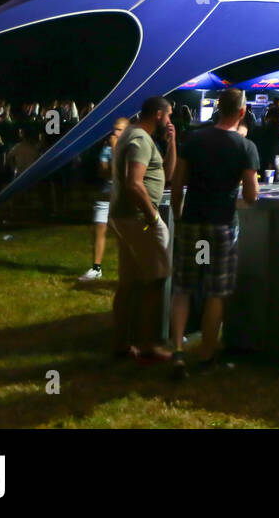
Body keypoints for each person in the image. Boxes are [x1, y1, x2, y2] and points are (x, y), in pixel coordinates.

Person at [168, 88, 259, 378]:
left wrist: (179, 216)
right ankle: (207, 354)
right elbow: (252, 194)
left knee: (183, 287)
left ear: (217, 108)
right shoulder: (245, 147)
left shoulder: (194, 139)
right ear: (242, 112)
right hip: (221, 225)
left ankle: (177, 352)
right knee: (215, 293)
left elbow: (177, 183)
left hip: (193, 221)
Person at [108, 95, 177, 364]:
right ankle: (148, 345)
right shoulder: (139, 139)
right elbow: (133, 182)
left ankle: (121, 345)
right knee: (157, 280)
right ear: (158, 115)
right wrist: (152, 216)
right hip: (138, 218)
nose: (170, 120)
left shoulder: (136, 136)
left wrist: (172, 143)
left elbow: (168, 175)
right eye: (168, 115)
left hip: (126, 216)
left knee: (129, 283)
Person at [80, 116, 129, 281]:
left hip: (123, 197)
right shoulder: (106, 150)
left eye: (120, 129)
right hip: (106, 195)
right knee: (99, 230)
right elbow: (105, 172)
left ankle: (128, 268)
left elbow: (121, 174)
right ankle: (96, 268)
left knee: (124, 234)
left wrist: (115, 151)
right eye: (115, 129)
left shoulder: (132, 149)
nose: (115, 132)